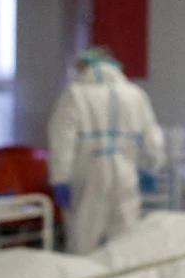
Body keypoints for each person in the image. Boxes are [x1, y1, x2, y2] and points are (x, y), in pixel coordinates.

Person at [48, 46, 165, 254]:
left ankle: (82, 273)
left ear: (85, 67)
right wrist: (152, 165)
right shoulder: (135, 94)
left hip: (89, 172)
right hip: (125, 170)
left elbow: (62, 140)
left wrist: (60, 177)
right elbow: (153, 135)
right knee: (125, 235)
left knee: (84, 236)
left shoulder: (76, 94)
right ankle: (124, 273)